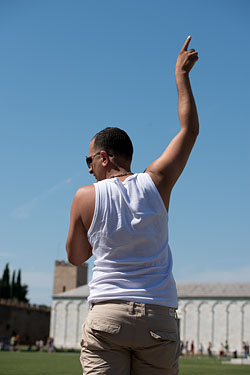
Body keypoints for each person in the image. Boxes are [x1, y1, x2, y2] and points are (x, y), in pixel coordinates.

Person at [66, 36, 199, 375]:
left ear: (103, 157)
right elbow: (189, 130)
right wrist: (181, 77)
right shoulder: (157, 182)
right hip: (158, 316)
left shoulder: (85, 195)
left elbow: (76, 257)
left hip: (108, 315)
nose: (89, 168)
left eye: (89, 160)